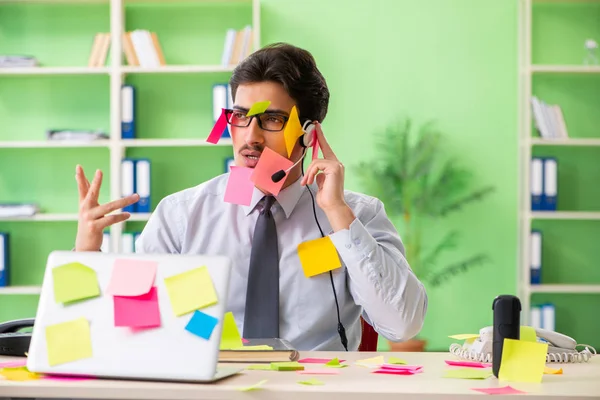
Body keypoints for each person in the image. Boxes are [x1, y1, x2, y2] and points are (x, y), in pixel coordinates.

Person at [74, 42, 428, 351]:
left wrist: (338, 214)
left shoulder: (357, 214)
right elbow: (133, 322)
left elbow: (403, 324)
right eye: (240, 117)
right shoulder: (181, 215)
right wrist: (87, 255)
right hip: (209, 386)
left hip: (316, 391)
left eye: (272, 119)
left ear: (309, 134)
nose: (251, 137)